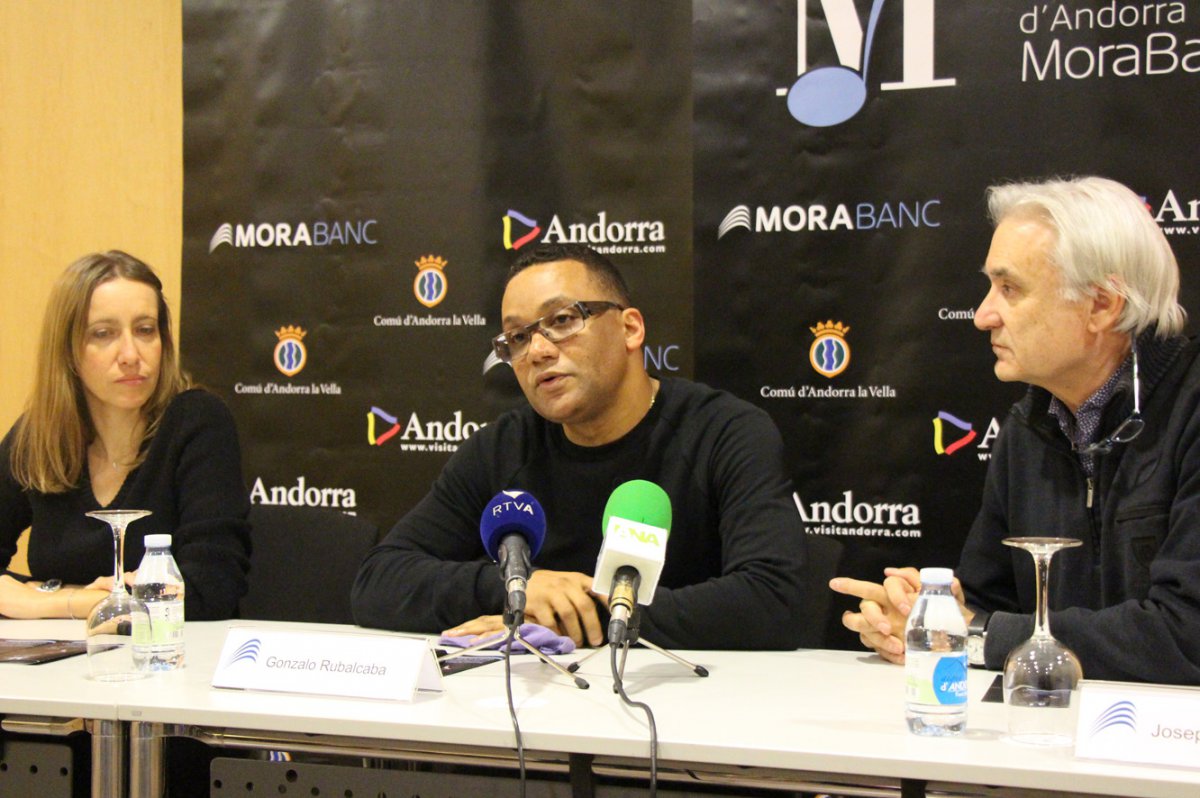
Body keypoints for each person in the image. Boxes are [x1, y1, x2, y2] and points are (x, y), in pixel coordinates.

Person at [831, 175, 1200, 683]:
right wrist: (926, 616)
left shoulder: (1189, 408)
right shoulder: (1030, 427)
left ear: (1101, 305)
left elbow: (1187, 634)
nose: (983, 316)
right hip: (1045, 722)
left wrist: (973, 635)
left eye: (1009, 289)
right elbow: (987, 605)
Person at [353, 243, 807, 649]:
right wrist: (516, 589)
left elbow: (773, 599)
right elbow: (377, 581)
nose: (538, 351)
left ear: (630, 329)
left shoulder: (724, 432)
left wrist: (580, 620)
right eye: (517, 338)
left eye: (562, 321)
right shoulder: (501, 448)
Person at [1, 250, 251, 621]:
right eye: (104, 334)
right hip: (64, 654)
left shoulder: (197, 422)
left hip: (172, 652)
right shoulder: (39, 437)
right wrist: (74, 601)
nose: (131, 354)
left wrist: (47, 600)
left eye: (145, 330)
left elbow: (209, 591)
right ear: (67, 350)